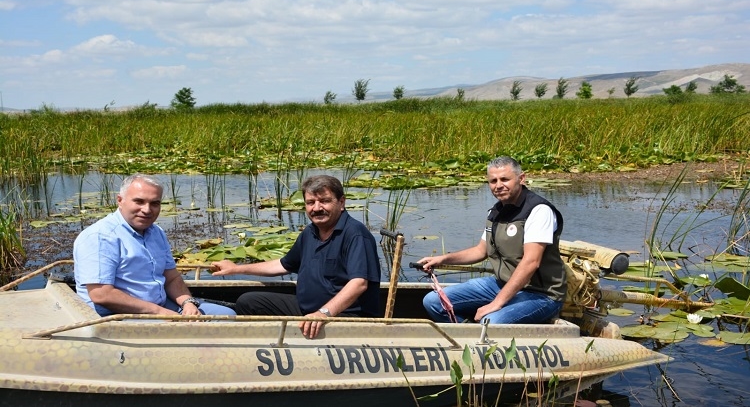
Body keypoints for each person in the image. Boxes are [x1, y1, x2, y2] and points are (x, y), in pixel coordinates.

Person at [210, 175, 381, 338]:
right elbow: (284, 265)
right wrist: (236, 268)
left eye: (325, 201)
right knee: (248, 302)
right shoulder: (310, 232)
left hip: (346, 315)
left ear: (341, 202)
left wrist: (324, 313)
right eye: (310, 202)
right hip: (308, 310)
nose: (317, 208)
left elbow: (359, 283)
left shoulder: (355, 234)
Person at [417, 156, 566, 324]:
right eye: (493, 181)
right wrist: (443, 259)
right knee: (434, 302)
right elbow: (481, 251)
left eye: (505, 179)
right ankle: (468, 338)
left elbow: (531, 262)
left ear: (521, 179)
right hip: (501, 284)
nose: (498, 185)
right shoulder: (496, 211)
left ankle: (479, 339)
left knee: (490, 321)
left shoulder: (539, 211)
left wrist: (496, 303)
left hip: (541, 294)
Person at [74, 174, 236, 318]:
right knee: (185, 332)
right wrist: (161, 313)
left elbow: (171, 278)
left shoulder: (156, 232)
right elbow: (102, 295)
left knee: (227, 315)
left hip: (159, 306)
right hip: (117, 315)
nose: (147, 210)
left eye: (154, 203)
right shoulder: (101, 236)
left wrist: (188, 303)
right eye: (139, 201)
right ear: (120, 201)